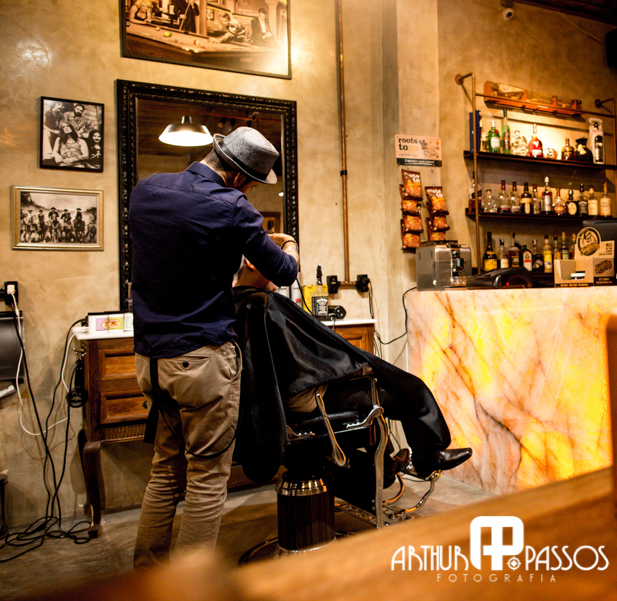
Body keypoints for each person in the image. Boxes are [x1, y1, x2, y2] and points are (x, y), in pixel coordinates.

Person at [129, 127, 300, 569]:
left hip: (150, 360)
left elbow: (182, 252)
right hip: (202, 361)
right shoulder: (232, 207)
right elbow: (283, 272)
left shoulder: (146, 191)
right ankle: (190, 591)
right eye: (252, 184)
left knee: (165, 470)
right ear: (241, 178)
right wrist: (289, 245)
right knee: (206, 478)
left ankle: (146, 578)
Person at [230, 255, 472, 490]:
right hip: (307, 400)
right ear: (251, 261)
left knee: (380, 391)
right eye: (280, 258)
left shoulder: (236, 302)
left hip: (281, 407)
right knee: (405, 390)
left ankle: (390, 466)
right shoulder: (267, 304)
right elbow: (306, 362)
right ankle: (428, 460)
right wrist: (354, 366)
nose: (284, 268)